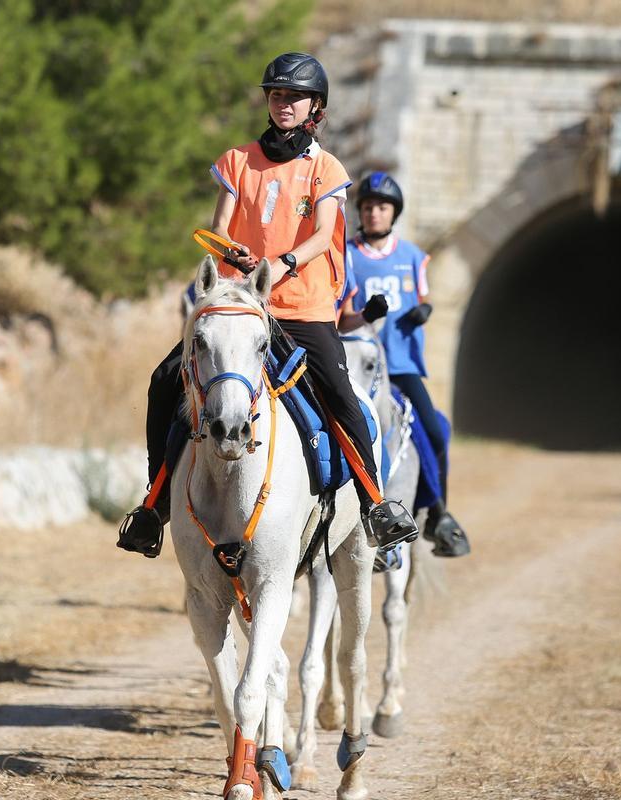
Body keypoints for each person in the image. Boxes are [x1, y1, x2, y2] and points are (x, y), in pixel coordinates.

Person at [118, 52, 419, 558]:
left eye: (295, 96)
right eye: (277, 94)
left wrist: (281, 264)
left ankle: (374, 504)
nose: (285, 103)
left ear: (315, 107)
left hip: (302, 307)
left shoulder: (326, 168)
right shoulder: (238, 161)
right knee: (165, 379)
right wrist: (228, 249)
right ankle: (154, 505)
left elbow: (324, 235)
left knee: (342, 396)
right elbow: (218, 228)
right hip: (241, 304)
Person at [340, 172, 470, 557]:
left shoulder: (413, 257)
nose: (374, 213)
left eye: (381, 207)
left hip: (401, 365)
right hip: (358, 363)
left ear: (393, 212)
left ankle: (438, 515)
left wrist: (424, 311)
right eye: (367, 207)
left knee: (435, 430)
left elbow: (424, 297)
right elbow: (341, 318)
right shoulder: (347, 255)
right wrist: (364, 315)